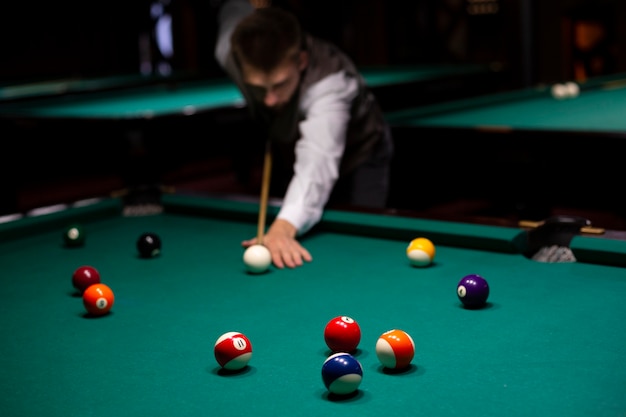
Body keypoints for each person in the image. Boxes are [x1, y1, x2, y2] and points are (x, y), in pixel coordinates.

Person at [215, 0, 393, 269]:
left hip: (362, 152)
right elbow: (232, 8)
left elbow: (317, 161)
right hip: (288, 142)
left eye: (279, 85)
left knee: (361, 251)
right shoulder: (227, 49)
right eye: (258, 89)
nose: (270, 100)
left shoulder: (329, 83)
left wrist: (285, 227)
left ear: (301, 61)